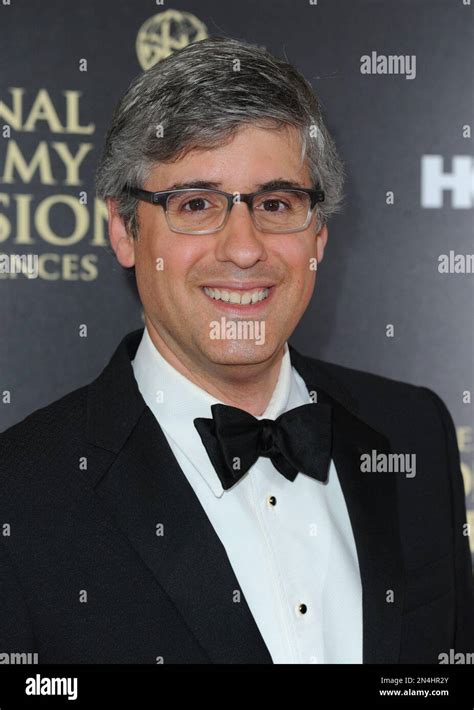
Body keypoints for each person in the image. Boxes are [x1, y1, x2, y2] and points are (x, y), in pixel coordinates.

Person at [0, 36, 472, 665]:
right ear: (124, 230)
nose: (244, 248)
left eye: (276, 204)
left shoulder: (413, 431)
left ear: (320, 233)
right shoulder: (21, 495)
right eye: (196, 204)